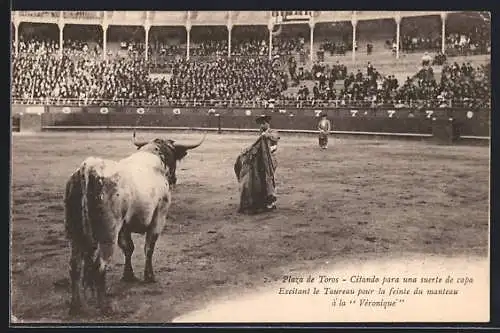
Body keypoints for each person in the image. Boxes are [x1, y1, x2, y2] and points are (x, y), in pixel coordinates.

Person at [233, 114, 280, 213]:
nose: (261, 126)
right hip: (261, 160)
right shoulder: (261, 134)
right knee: (261, 179)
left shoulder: (272, 132)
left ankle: (271, 203)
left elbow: (275, 139)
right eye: (260, 124)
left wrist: (266, 136)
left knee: (269, 179)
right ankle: (263, 201)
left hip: (270, 159)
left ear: (266, 123)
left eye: (262, 124)